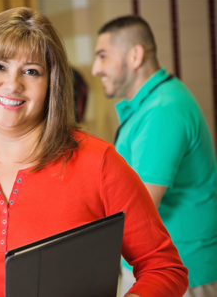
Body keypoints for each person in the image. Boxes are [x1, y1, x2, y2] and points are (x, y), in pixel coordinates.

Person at [0, 8, 188, 297]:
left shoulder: (97, 163)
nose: (13, 84)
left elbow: (163, 267)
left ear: (51, 85)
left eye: (31, 71)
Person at [92, 15, 217, 296]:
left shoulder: (163, 110)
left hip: (181, 270)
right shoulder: (151, 105)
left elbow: (141, 205)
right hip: (160, 263)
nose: (95, 69)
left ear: (135, 56)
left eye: (102, 56)